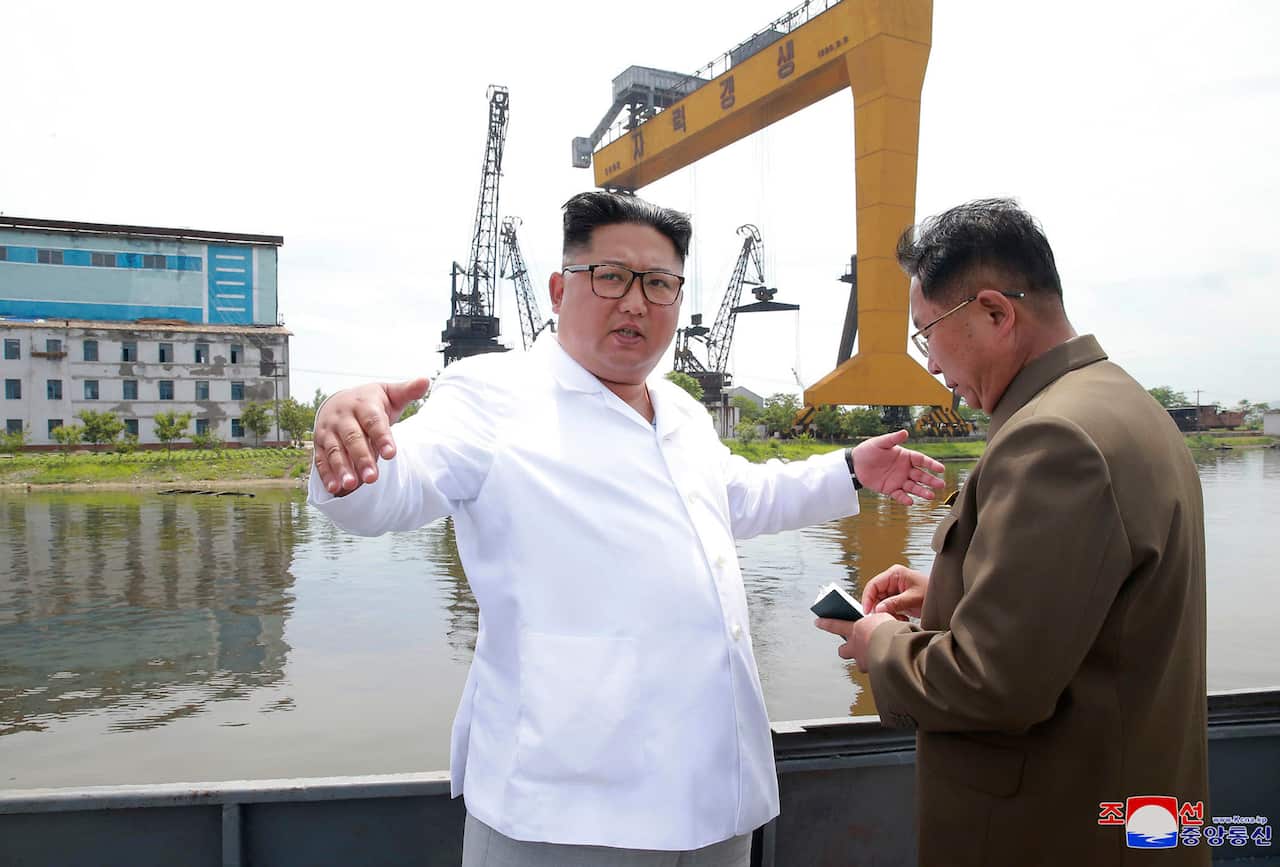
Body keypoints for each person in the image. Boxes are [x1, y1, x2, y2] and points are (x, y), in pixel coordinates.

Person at [309, 191, 946, 866]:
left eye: (660, 283)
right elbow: (392, 490)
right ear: (559, 289)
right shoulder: (490, 395)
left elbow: (739, 496)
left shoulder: (679, 411)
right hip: (568, 808)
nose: (636, 302)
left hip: (712, 797)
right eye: (610, 277)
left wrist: (850, 468)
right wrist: (345, 442)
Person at [816, 198, 1209, 866]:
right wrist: (952, 586)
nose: (933, 367)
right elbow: (1096, 608)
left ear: (996, 313)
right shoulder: (1123, 403)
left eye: (927, 334)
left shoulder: (1054, 440)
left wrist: (880, 640)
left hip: (1053, 836)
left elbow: (991, 685)